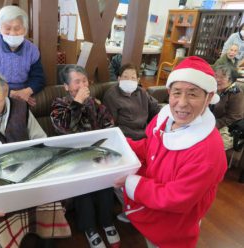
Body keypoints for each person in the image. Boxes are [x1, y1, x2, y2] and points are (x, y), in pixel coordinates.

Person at [117, 56, 227, 248]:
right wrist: (122, 145)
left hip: (172, 231)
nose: (182, 103)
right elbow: (150, 146)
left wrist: (131, 183)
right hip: (151, 215)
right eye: (177, 93)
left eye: (193, 94)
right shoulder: (165, 118)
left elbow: (175, 198)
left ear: (209, 97)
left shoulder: (208, 152)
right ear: (169, 92)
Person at [0, 70, 70, 247]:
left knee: (49, 200)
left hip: (28, 174)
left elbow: (40, 140)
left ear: (5, 89)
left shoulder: (21, 109)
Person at [50, 65, 120, 248]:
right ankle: (89, 228)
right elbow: (65, 129)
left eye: (84, 81)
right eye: (77, 82)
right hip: (72, 156)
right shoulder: (59, 105)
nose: (82, 85)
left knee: (105, 181)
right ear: (66, 86)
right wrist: (78, 103)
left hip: (96, 152)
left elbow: (109, 125)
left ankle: (107, 222)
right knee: (83, 185)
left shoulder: (95, 103)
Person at [0, 5, 45, 107]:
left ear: (25, 29)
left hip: (24, 93)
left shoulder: (32, 50)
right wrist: (11, 93)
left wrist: (26, 92)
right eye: (7, 28)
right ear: (0, 28)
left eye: (17, 28)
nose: (13, 33)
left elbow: (39, 78)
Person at [103, 63, 160, 140]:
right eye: (125, 77)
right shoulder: (111, 95)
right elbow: (111, 123)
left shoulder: (141, 92)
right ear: (119, 79)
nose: (129, 80)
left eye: (133, 77)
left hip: (147, 134)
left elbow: (155, 108)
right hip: (126, 137)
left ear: (138, 80)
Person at [211, 64, 244, 150]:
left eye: (223, 77)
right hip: (209, 122)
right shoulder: (212, 89)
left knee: (213, 147)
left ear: (231, 79)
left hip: (226, 127)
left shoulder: (236, 93)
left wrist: (213, 124)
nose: (217, 79)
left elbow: (234, 117)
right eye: (216, 75)